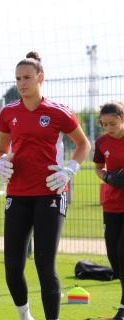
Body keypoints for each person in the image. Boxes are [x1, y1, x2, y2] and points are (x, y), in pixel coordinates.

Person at [0, 51, 91, 320]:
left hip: (51, 192)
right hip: (17, 194)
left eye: (27, 77)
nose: (22, 83)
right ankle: (25, 316)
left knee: (44, 266)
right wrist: (1, 163)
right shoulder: (8, 113)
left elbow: (83, 145)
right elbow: (1, 150)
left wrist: (70, 169)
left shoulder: (58, 112)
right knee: (13, 268)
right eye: (18, 78)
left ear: (40, 78)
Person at [93, 101, 124, 320]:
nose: (108, 128)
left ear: (122, 119)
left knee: (123, 253)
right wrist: (108, 177)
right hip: (111, 204)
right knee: (113, 256)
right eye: (104, 124)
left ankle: (123, 307)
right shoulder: (101, 142)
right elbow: (98, 167)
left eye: (112, 123)